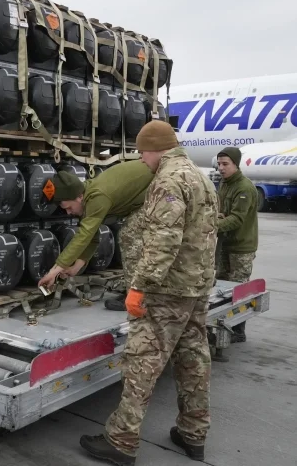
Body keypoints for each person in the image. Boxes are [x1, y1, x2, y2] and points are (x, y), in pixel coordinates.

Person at [79, 121, 218, 465]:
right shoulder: (201, 177)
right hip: (196, 286)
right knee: (193, 360)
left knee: (142, 362)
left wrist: (139, 286)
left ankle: (121, 441)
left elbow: (163, 241)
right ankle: (193, 433)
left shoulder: (168, 180)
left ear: (156, 148)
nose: (141, 160)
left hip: (166, 290)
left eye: (142, 152)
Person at [37, 160, 154, 311]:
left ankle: (139, 297)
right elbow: (92, 237)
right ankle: (136, 291)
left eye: (68, 207)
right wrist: (74, 269)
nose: (68, 212)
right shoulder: (88, 196)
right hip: (147, 195)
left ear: (79, 197)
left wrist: (54, 271)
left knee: (129, 236)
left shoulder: (97, 197)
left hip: (160, 188)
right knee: (129, 233)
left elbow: (84, 236)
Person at [215, 146, 258, 343]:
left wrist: (211, 225)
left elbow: (237, 219)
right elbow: (224, 212)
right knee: (221, 288)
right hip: (225, 244)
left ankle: (238, 330)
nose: (221, 168)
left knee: (238, 290)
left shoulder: (244, 187)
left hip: (241, 247)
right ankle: (222, 325)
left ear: (236, 164)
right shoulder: (225, 183)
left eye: (225, 164)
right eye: (219, 164)